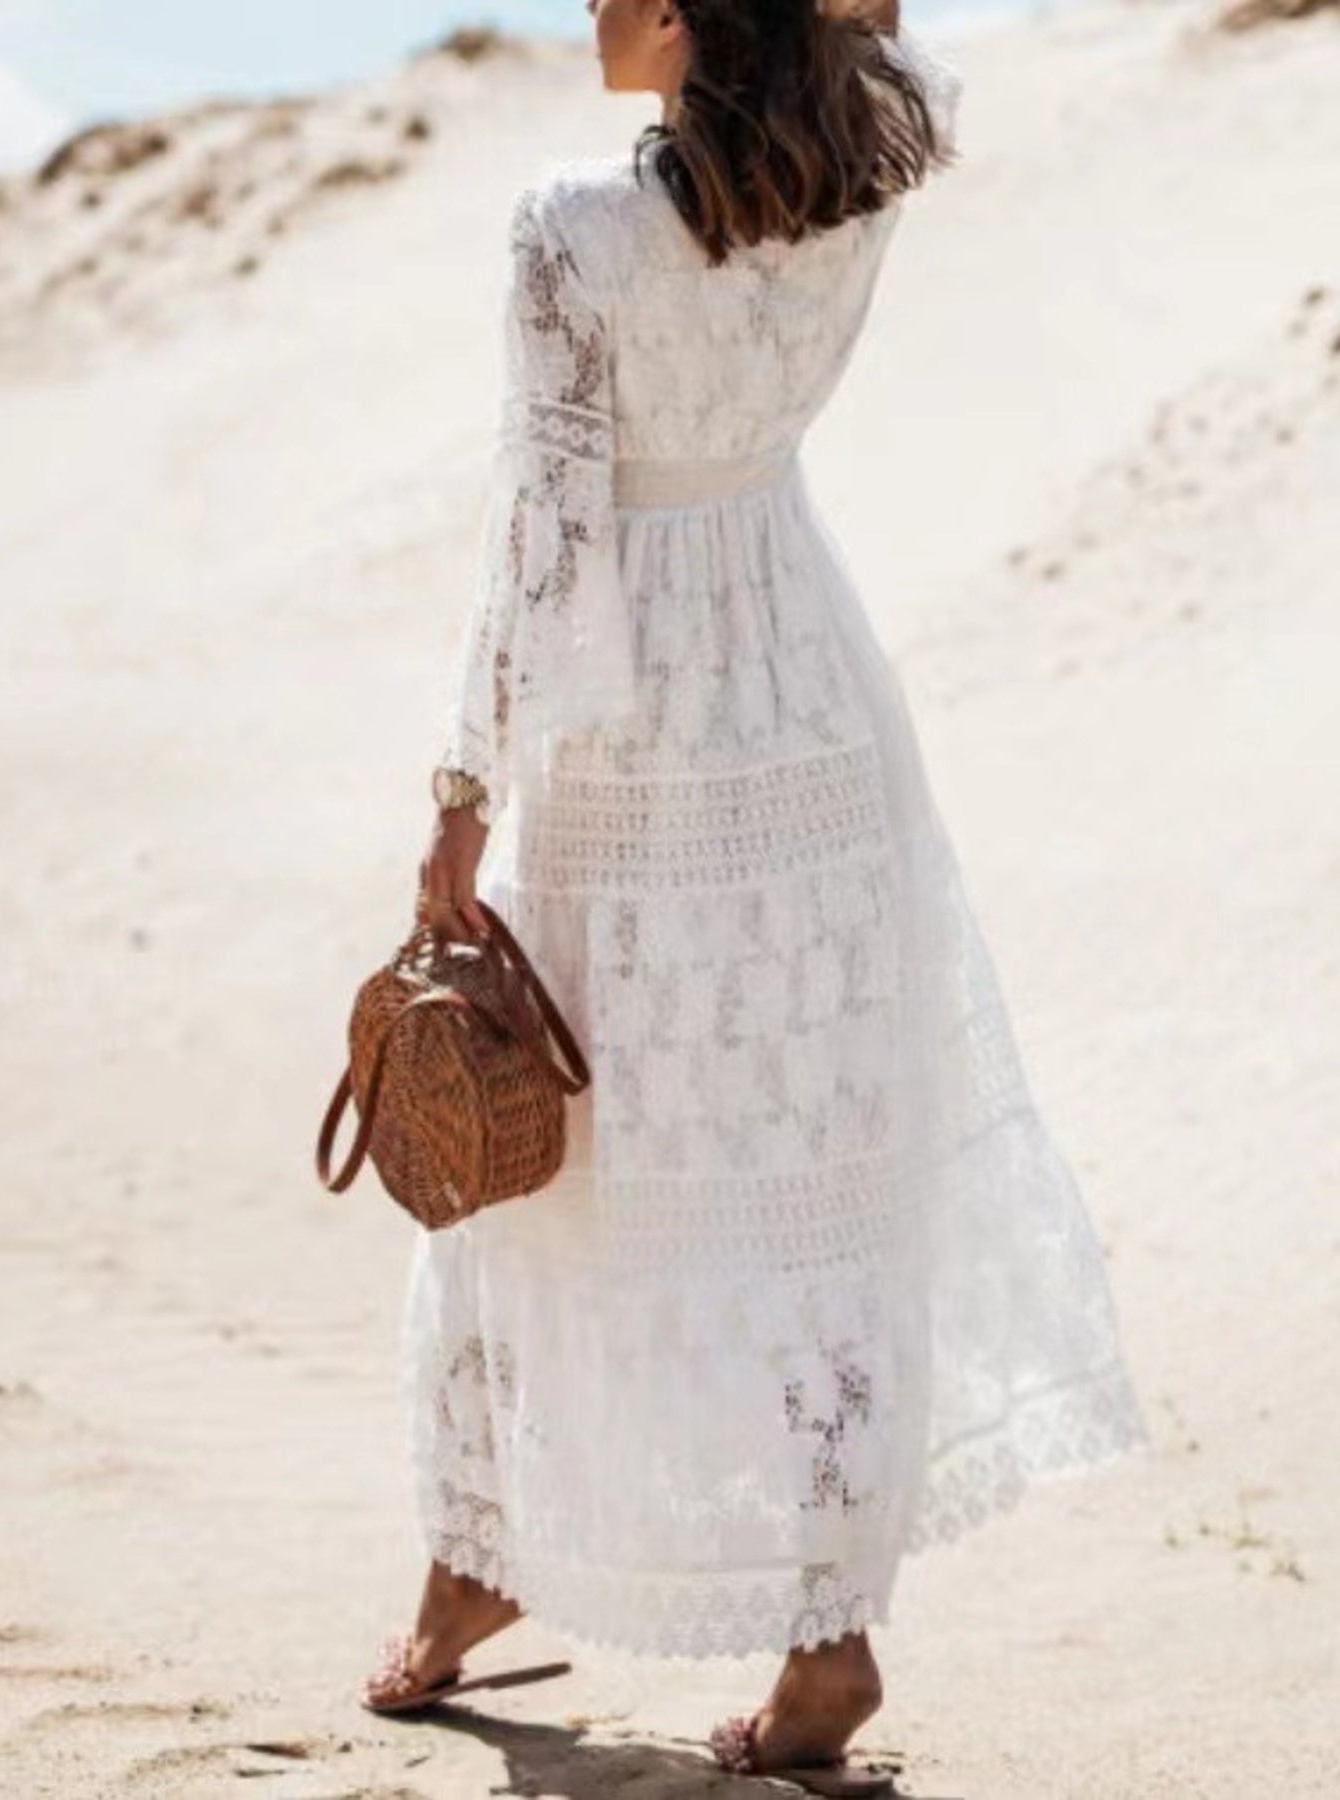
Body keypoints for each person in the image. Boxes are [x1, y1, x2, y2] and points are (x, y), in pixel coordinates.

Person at [362, 0, 1150, 1785]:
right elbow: (885, 34)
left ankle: (474, 1561)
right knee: (812, 1183)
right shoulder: (858, 168)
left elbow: (541, 530)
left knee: (533, 1149)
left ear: (675, 11)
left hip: (630, 745)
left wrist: (460, 795)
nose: (581, 8)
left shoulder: (572, 226)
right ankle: (825, 1639)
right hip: (811, 705)